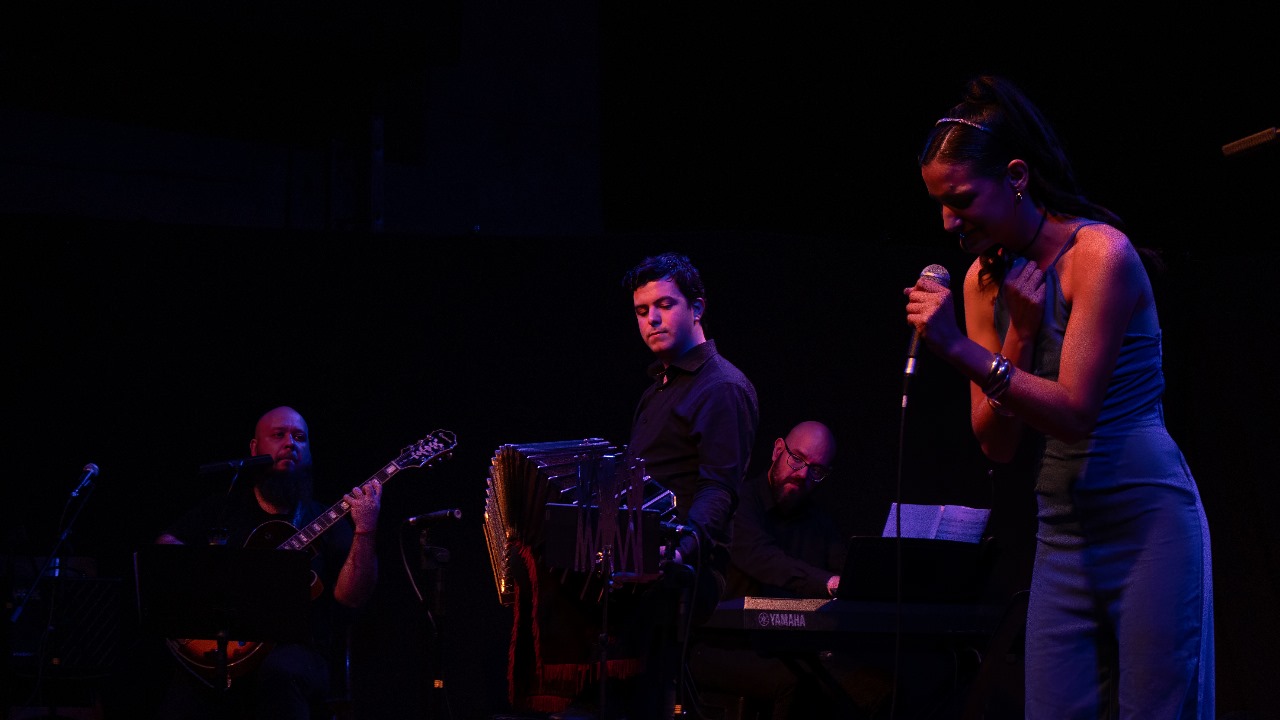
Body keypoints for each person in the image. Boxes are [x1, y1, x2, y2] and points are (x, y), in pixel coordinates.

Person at [903, 75, 1214, 719]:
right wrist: (1016, 330)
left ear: (1016, 175)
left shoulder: (1099, 254)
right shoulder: (982, 281)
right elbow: (996, 441)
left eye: (960, 198)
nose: (948, 220)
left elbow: (1074, 411)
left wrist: (959, 349)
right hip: (1063, 529)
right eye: (938, 202)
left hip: (1144, 516)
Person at [153, 405, 383, 720]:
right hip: (222, 647)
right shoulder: (223, 509)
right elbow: (166, 546)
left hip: (301, 650)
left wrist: (366, 528)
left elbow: (351, 597)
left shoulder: (324, 518)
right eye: (279, 435)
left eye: (300, 437)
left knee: (279, 672)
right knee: (183, 692)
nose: (291, 443)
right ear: (254, 448)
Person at [615, 251, 760, 720]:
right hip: (643, 563)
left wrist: (679, 548)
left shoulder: (720, 387)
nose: (652, 319)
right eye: (641, 311)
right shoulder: (657, 386)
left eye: (664, 305)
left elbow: (720, 487)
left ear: (697, 308)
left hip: (682, 572)